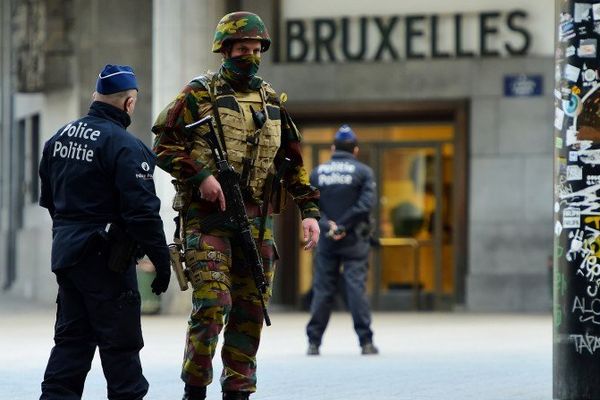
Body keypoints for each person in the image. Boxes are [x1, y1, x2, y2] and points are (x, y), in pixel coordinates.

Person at [151, 11, 320, 400]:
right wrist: (200, 177)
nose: (250, 55)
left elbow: (292, 163)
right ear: (224, 49)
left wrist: (309, 212)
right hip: (207, 222)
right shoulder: (199, 94)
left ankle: (239, 391)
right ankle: (195, 388)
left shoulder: (272, 102)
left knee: (250, 312)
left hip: (257, 222)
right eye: (242, 48)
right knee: (213, 305)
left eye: (256, 48)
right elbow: (163, 145)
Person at [39, 64, 172, 400]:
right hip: (107, 263)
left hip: (68, 257)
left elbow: (51, 202)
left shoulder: (57, 139)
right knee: (122, 351)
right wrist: (161, 260)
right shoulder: (126, 146)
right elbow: (143, 213)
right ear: (129, 103)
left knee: (71, 345)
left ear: (94, 96)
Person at [306, 124, 379, 356]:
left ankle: (314, 343)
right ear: (355, 150)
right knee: (356, 288)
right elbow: (366, 205)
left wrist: (329, 226)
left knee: (323, 289)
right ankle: (366, 343)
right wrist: (345, 225)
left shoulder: (318, 172)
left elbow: (311, 206)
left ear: (332, 148)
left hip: (327, 240)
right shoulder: (363, 172)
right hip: (354, 239)